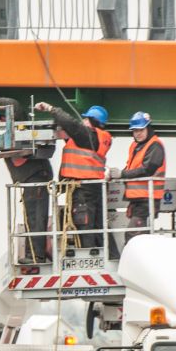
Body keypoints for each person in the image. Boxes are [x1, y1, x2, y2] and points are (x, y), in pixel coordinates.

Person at [0, 96, 53, 263]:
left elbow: (14, 105)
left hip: (37, 178)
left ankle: (37, 256)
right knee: (30, 217)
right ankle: (33, 254)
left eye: (0, 120)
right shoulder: (1, 140)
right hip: (30, 181)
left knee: (36, 218)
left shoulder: (19, 128)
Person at [33, 102, 111, 251]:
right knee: (97, 226)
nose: (83, 121)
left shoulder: (88, 136)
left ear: (92, 121)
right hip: (92, 187)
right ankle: (102, 253)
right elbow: (71, 133)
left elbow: (72, 124)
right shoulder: (95, 138)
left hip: (83, 190)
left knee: (85, 225)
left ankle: (90, 258)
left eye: (86, 119)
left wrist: (51, 108)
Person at [121, 111, 167, 247]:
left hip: (148, 200)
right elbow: (131, 167)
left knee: (133, 234)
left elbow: (147, 170)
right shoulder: (134, 146)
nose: (137, 133)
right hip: (137, 200)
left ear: (148, 128)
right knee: (140, 236)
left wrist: (122, 175)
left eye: (141, 130)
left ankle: (130, 265)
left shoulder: (155, 145)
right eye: (135, 131)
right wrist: (115, 174)